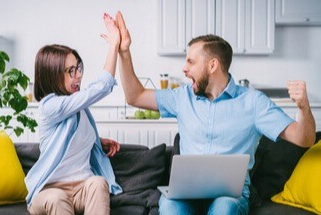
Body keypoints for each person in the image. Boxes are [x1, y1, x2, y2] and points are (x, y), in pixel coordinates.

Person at [114, 12, 316, 215]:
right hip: (185, 194)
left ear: (212, 65)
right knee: (170, 206)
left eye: (191, 62)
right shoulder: (182, 97)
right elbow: (135, 96)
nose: (184, 69)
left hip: (228, 196)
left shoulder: (253, 102)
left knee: (225, 208)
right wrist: (124, 52)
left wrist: (303, 108)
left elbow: (304, 139)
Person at [25, 13, 123, 215]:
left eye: (78, 68)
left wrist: (95, 140)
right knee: (57, 197)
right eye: (71, 71)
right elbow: (102, 87)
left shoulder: (80, 109)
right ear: (53, 74)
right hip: (49, 191)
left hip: (81, 189)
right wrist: (114, 45)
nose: (78, 75)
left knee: (97, 182)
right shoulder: (49, 106)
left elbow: (70, 137)